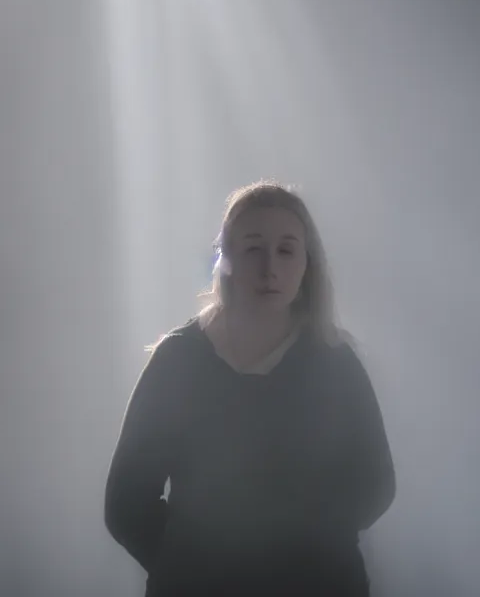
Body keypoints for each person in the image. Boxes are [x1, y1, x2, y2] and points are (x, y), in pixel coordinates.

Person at [104, 180, 396, 596]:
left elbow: (375, 483)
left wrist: (304, 552)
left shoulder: (335, 362)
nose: (269, 269)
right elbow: (126, 504)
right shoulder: (178, 360)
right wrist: (192, 567)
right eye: (253, 249)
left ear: (307, 263)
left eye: (286, 250)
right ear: (225, 259)